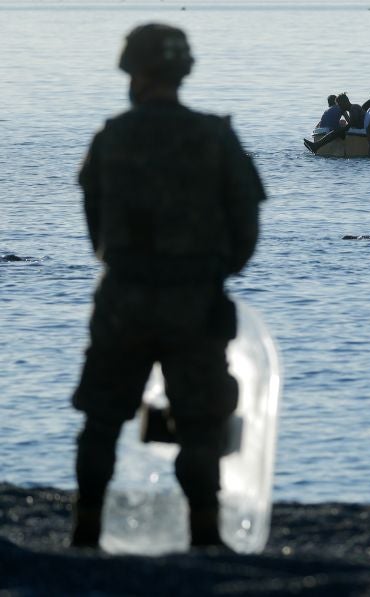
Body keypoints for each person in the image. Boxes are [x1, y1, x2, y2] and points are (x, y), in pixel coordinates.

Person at [71, 23, 266, 549]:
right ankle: (205, 535)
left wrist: (129, 268)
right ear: (184, 72)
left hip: (123, 300)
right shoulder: (216, 137)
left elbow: (95, 226)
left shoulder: (111, 136)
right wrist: (213, 272)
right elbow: (246, 223)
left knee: (103, 419)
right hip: (195, 302)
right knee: (201, 425)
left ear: (132, 73)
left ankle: (85, 532)